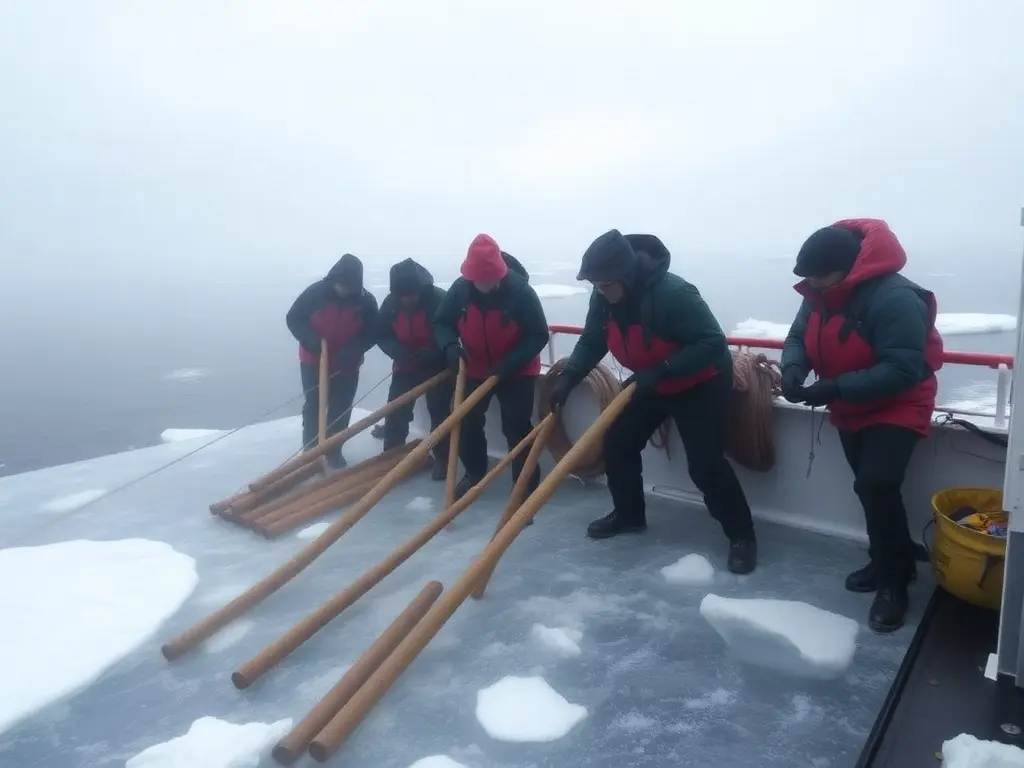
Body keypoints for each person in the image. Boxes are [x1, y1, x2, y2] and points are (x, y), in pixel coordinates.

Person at [549, 229, 757, 574]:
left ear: (625, 277)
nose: (599, 292)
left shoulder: (674, 294)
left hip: (699, 383)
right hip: (651, 382)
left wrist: (663, 368)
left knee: (705, 465)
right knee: (617, 443)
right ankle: (629, 515)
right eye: (595, 286)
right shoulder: (603, 299)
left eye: (604, 285)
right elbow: (592, 340)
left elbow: (711, 343)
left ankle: (742, 536)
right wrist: (570, 377)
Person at [780, 219, 943, 633]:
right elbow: (799, 334)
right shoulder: (821, 291)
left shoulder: (895, 298)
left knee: (875, 484)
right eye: (809, 278)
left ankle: (893, 584)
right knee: (872, 489)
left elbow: (904, 368)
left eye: (820, 275)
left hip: (898, 403)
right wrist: (794, 368)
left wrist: (831, 388)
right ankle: (892, 559)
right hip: (850, 402)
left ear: (849, 267)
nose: (813, 284)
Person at [433, 234, 549, 500]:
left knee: (516, 426)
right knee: (465, 420)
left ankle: (525, 485)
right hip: (474, 367)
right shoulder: (460, 291)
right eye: (479, 280)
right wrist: (450, 346)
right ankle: (474, 473)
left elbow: (538, 335)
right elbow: (442, 323)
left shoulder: (521, 293)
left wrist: (507, 365)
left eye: (490, 280)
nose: (485, 285)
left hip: (516, 369)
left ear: (500, 273)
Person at [286, 253, 379, 468]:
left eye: (349, 286)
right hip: (313, 359)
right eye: (341, 284)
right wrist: (311, 340)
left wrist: (356, 348)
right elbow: (294, 318)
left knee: (341, 406)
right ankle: (311, 453)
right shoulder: (316, 293)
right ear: (334, 280)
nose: (344, 289)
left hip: (347, 363)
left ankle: (333, 451)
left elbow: (373, 331)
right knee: (314, 405)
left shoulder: (366, 301)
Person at [376, 258, 453, 480]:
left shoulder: (439, 300)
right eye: (402, 295)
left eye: (411, 294)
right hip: (405, 364)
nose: (407, 299)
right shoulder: (391, 304)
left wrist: (435, 351)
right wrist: (397, 351)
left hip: (438, 366)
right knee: (396, 410)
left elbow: (453, 330)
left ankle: (443, 460)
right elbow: (381, 333)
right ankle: (392, 457)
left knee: (439, 412)